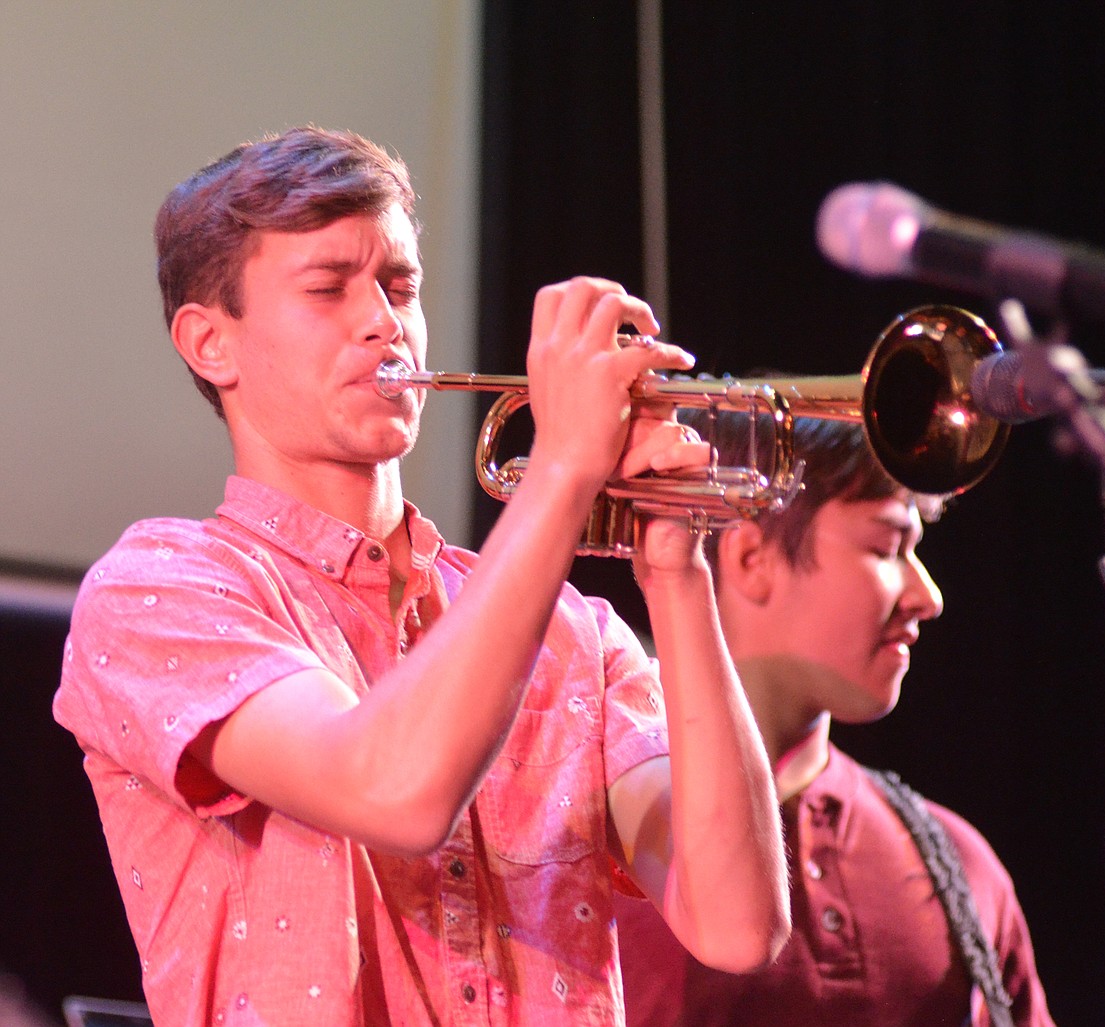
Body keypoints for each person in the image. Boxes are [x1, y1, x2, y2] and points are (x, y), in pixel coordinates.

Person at [52, 126, 789, 1026]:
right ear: (211, 343)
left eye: (400, 286)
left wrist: (678, 569)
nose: (384, 320)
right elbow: (395, 791)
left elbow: (739, 925)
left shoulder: (575, 631)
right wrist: (561, 470)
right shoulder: (159, 588)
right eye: (328, 288)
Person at [615, 411, 1054, 1026]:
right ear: (751, 558)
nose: (929, 596)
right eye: (886, 546)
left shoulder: (961, 866)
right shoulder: (586, 848)